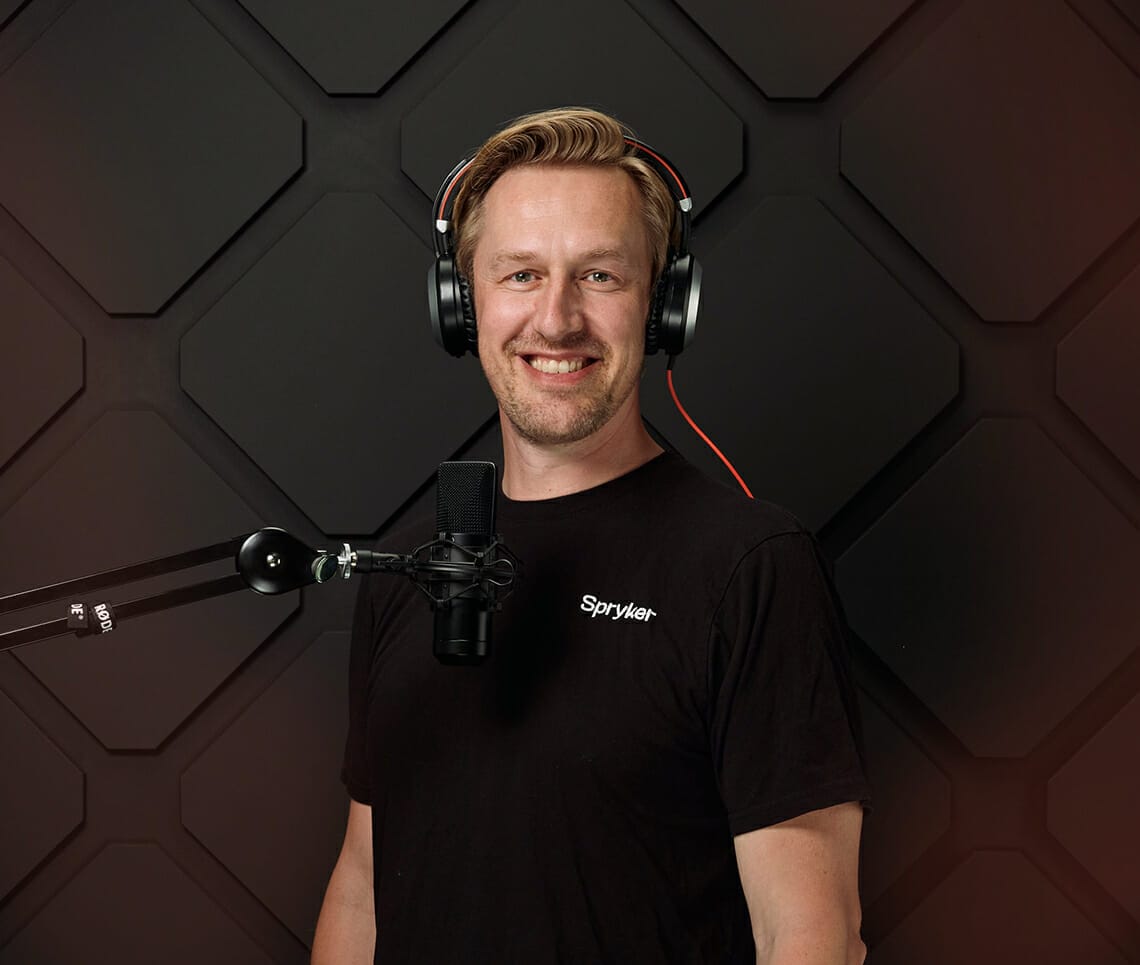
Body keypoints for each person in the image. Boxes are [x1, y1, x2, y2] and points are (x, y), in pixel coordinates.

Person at [312, 107, 870, 965]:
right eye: (522, 274)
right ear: (461, 305)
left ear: (662, 305)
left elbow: (808, 935)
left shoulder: (749, 568)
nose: (558, 319)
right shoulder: (410, 568)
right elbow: (361, 886)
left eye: (601, 275)